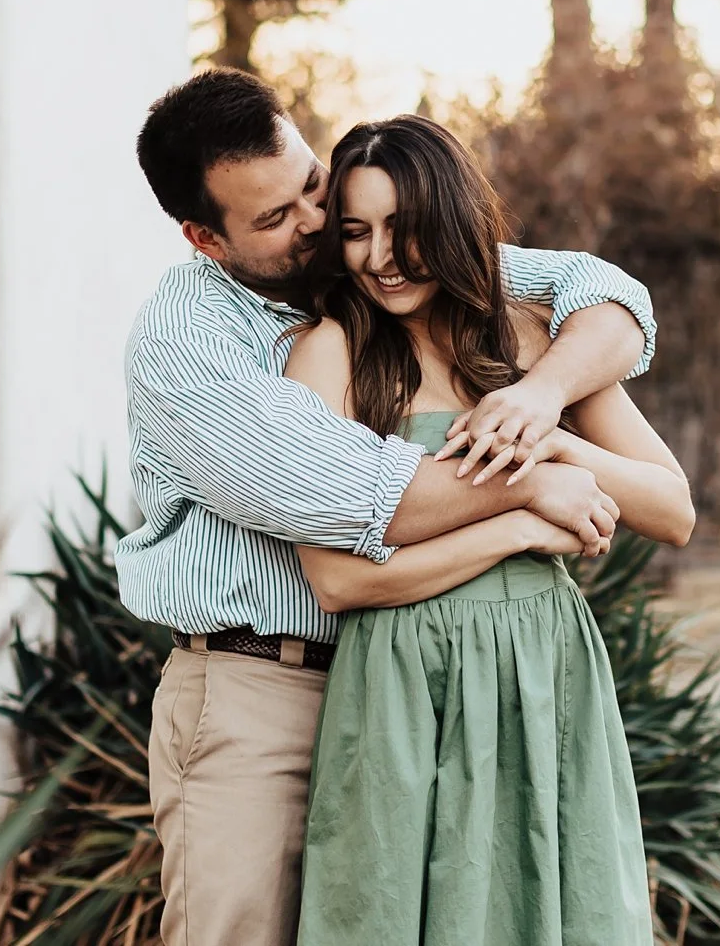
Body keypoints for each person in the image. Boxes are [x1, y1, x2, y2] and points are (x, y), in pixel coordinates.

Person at [117, 68, 659, 946]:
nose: (314, 225)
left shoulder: (367, 261)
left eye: (310, 188)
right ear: (204, 237)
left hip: (403, 686)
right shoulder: (189, 344)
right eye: (273, 218)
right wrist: (527, 485)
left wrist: (543, 396)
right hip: (263, 693)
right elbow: (358, 500)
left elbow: (604, 296)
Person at [285, 114, 692, 946]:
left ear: (451, 219)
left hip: (544, 668)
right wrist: (518, 517)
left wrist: (548, 430)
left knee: (556, 903)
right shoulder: (330, 352)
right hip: (403, 679)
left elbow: (672, 508)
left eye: (404, 228)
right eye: (357, 231)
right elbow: (338, 579)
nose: (380, 257)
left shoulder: (534, 343)